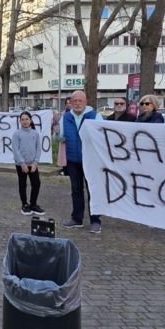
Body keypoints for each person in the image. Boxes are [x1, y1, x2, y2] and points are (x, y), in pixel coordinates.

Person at [60, 90, 103, 234]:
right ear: (70, 103)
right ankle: (77, 219)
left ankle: (95, 220)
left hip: (90, 161)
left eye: (80, 100)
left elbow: (103, 137)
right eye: (74, 101)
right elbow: (58, 136)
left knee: (93, 191)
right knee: (76, 190)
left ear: (85, 102)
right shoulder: (65, 117)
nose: (77, 103)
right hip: (73, 160)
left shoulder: (95, 116)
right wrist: (55, 132)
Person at [12, 111, 44, 216]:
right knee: (23, 184)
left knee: (36, 184)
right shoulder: (17, 134)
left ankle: (33, 204)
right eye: (22, 119)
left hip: (32, 164)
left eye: (27, 119)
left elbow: (38, 149)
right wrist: (22, 163)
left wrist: (35, 163)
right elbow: (16, 150)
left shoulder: (35, 133)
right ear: (20, 121)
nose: (25, 121)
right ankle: (24, 204)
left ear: (30, 120)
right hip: (21, 165)